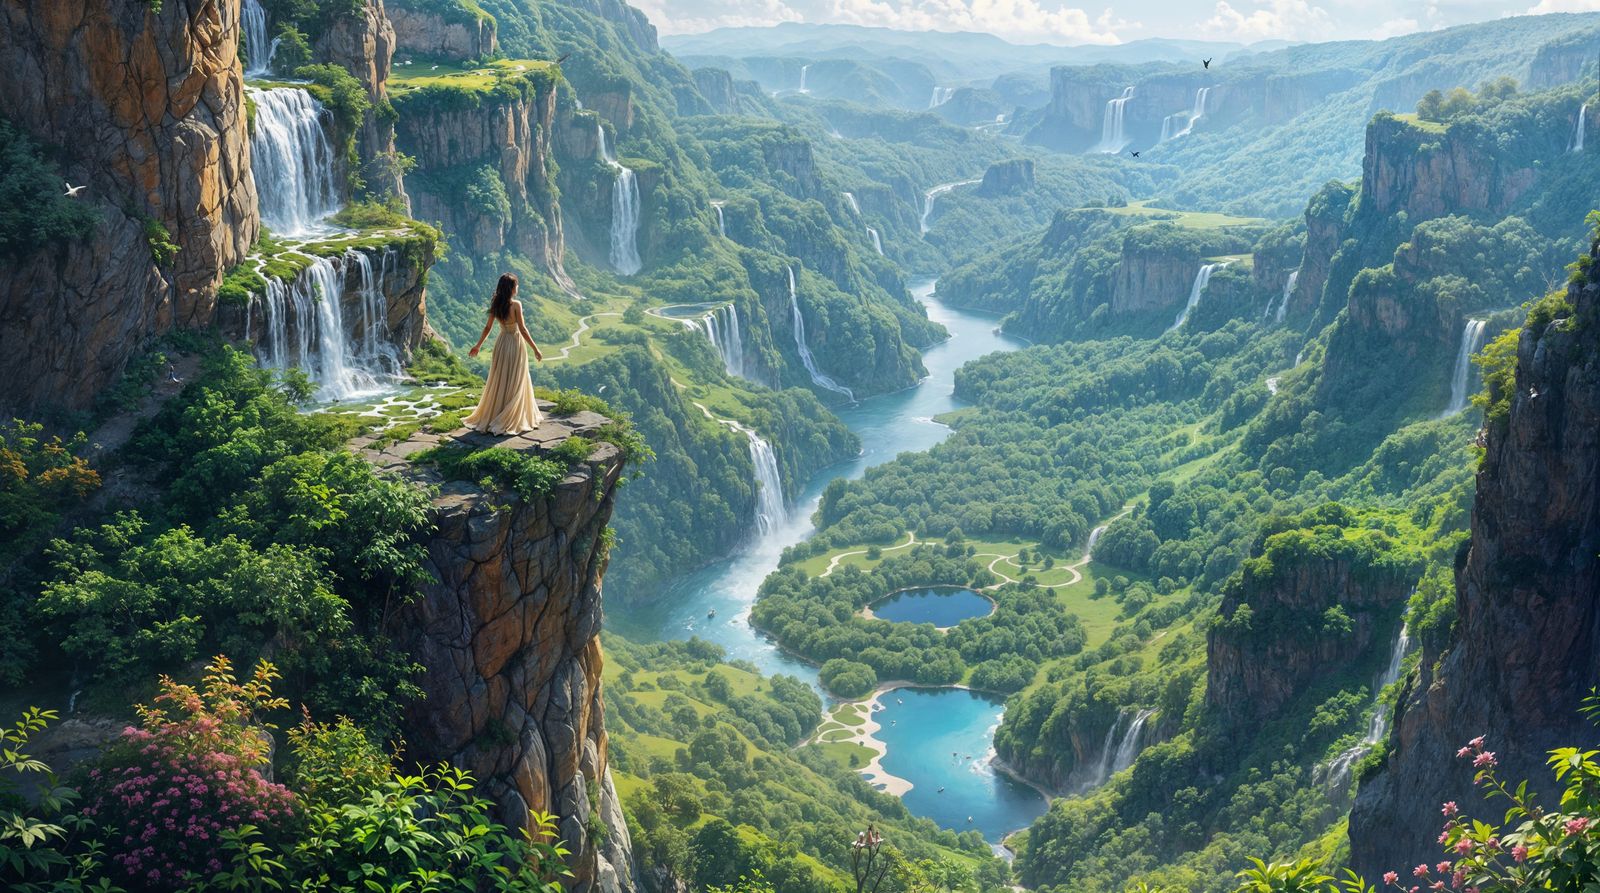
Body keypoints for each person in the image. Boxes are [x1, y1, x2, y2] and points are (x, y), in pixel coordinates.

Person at [463, 273, 544, 434]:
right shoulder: (516, 305)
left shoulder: (496, 303)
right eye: (517, 285)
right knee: (516, 378)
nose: (518, 288)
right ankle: (511, 416)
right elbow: (522, 329)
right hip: (514, 343)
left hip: (501, 343)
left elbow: (488, 328)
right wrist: (535, 349)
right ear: (512, 288)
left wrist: (478, 346)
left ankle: (497, 412)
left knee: (500, 378)